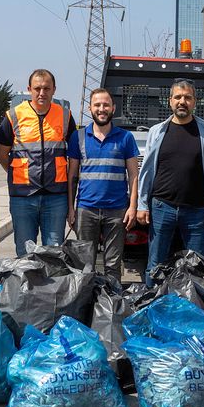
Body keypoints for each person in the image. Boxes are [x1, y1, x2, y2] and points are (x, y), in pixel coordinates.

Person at [136, 79, 204, 286]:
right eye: (178, 97)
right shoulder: (157, 132)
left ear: (195, 102)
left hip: (195, 211)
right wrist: (142, 204)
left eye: (187, 97)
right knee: (155, 264)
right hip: (161, 207)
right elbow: (146, 171)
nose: (182, 101)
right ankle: (152, 308)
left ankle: (195, 311)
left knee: (198, 266)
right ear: (170, 101)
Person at [0, 69, 76, 256]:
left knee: (54, 253)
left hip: (56, 196)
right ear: (29, 89)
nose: (42, 93)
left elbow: (74, 157)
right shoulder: (13, 115)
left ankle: (50, 286)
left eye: (46, 88)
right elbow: (1, 153)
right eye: (37, 88)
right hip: (23, 197)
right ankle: (26, 286)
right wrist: (17, 171)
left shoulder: (65, 116)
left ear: (54, 89)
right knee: (24, 253)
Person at [67, 88, 140, 282]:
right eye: (97, 105)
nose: (102, 108)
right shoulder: (78, 137)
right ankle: (86, 305)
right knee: (84, 265)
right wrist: (70, 209)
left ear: (113, 108)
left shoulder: (126, 138)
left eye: (106, 105)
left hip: (117, 211)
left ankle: (112, 305)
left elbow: (133, 175)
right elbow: (72, 176)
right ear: (90, 108)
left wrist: (133, 207)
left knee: (113, 265)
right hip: (86, 210)